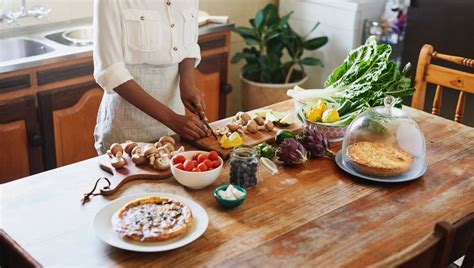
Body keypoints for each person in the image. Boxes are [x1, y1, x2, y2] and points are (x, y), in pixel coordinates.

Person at [93, 0, 208, 154]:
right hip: (129, 130)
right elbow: (111, 70)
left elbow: (189, 44)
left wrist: (188, 84)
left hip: (177, 125)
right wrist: (171, 119)